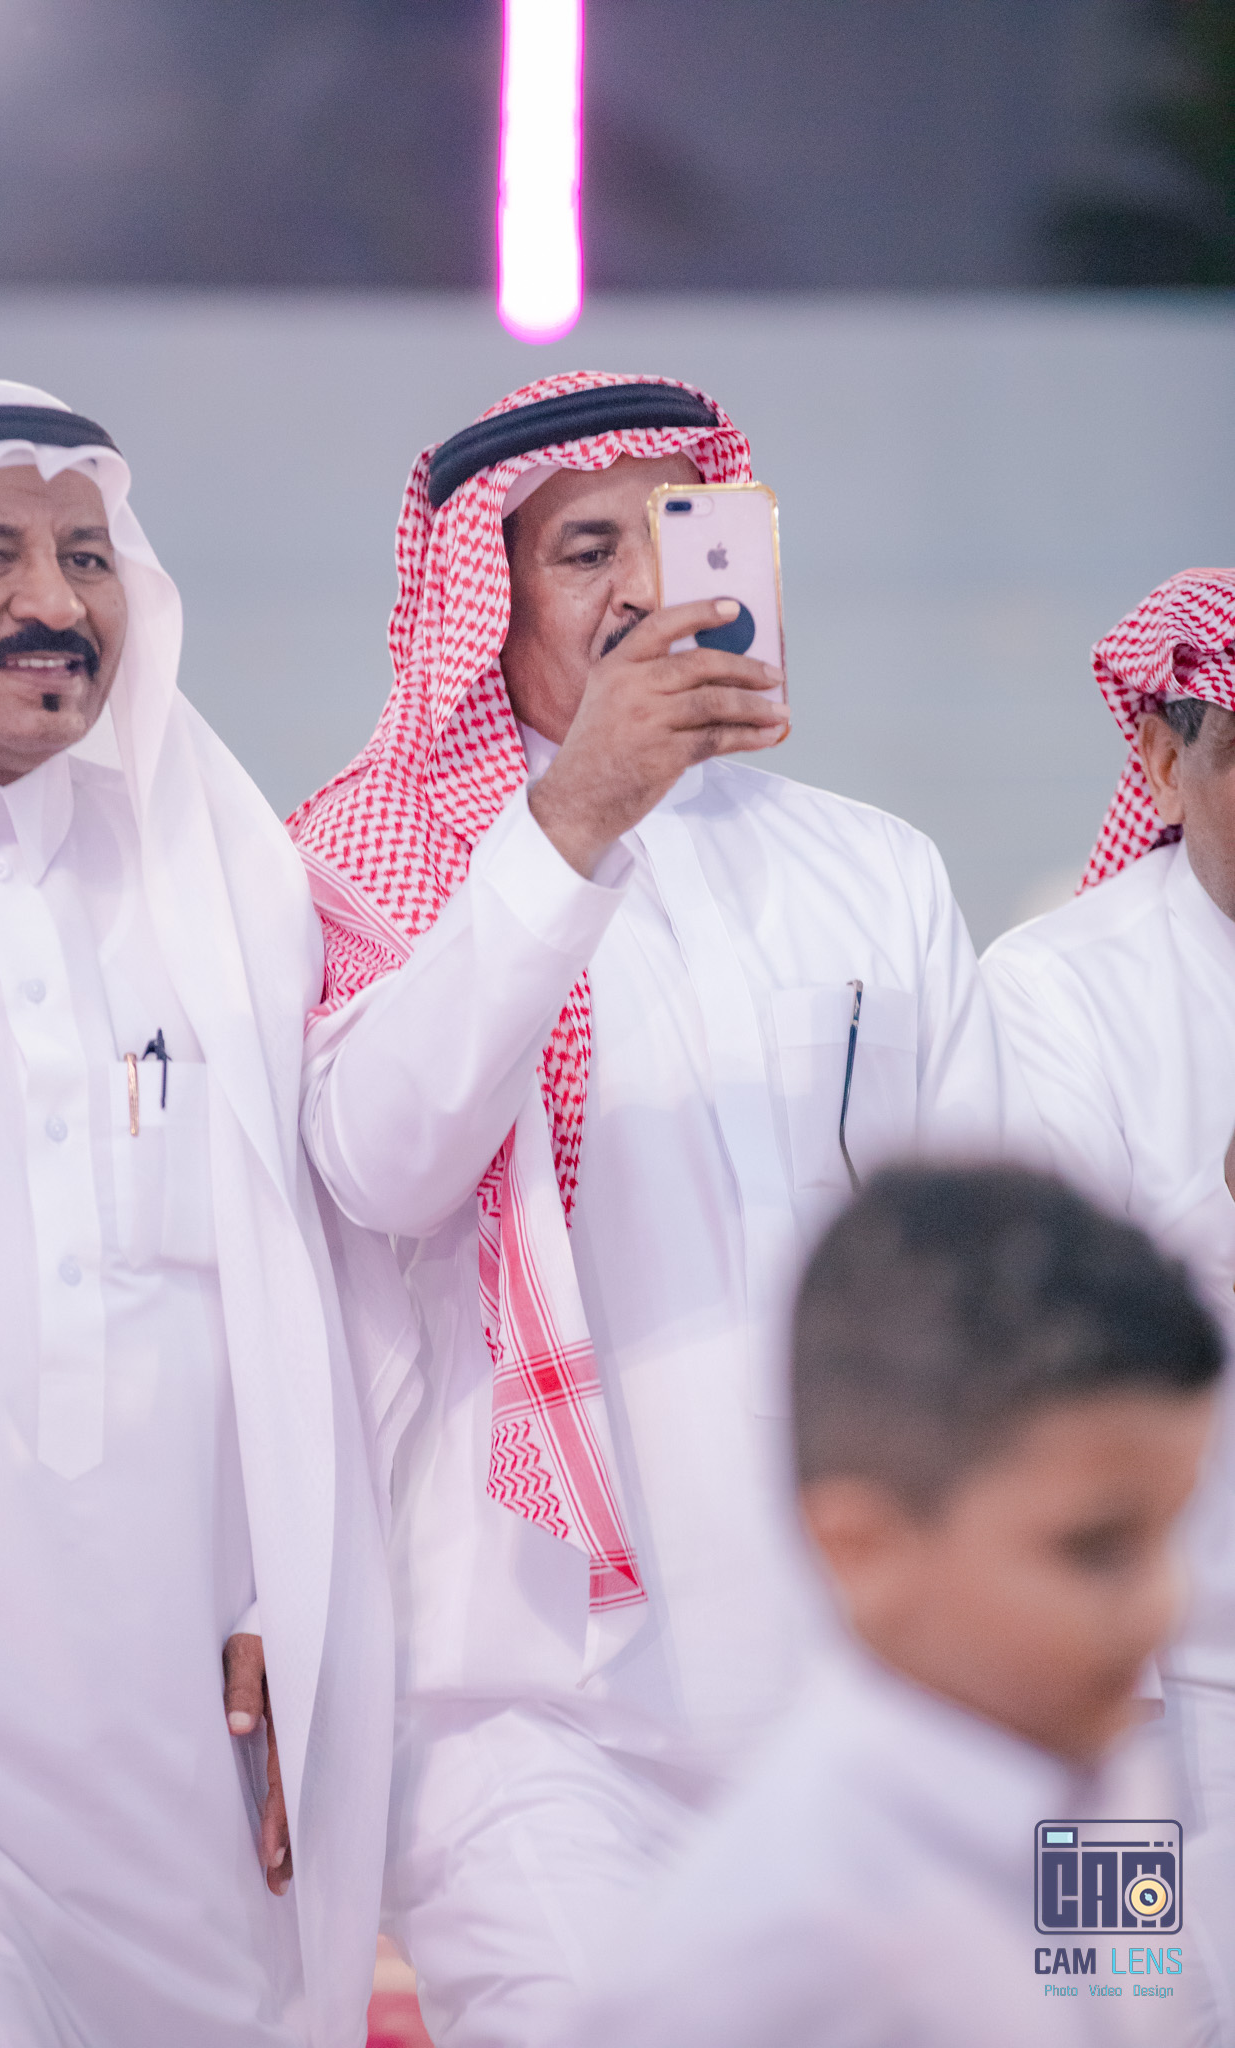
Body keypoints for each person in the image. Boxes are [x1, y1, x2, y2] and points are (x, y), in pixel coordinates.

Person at [290, 369, 1033, 2045]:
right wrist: (575, 819)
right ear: (487, 601)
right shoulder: (365, 860)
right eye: (583, 550)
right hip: (536, 1723)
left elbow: (988, 1259)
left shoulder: (874, 866)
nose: (643, 583)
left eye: (678, 530)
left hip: (850, 1697)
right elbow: (383, 1157)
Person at [0, 379, 392, 2048]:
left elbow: (319, 1282)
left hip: (181, 1750)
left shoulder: (220, 887)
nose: (52, 601)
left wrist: (289, 1599)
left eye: (86, 556)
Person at [560, 1163, 1223, 2048]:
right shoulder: (755, 1956)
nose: (1162, 1606)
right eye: (1094, 1549)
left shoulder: (1106, 1779)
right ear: (862, 1549)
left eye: (1170, 1534)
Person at [981, 568, 1235, 2044]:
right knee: (1114, 2021)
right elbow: (1059, 1345)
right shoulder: (1053, 991)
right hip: (1128, 1705)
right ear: (1161, 756)